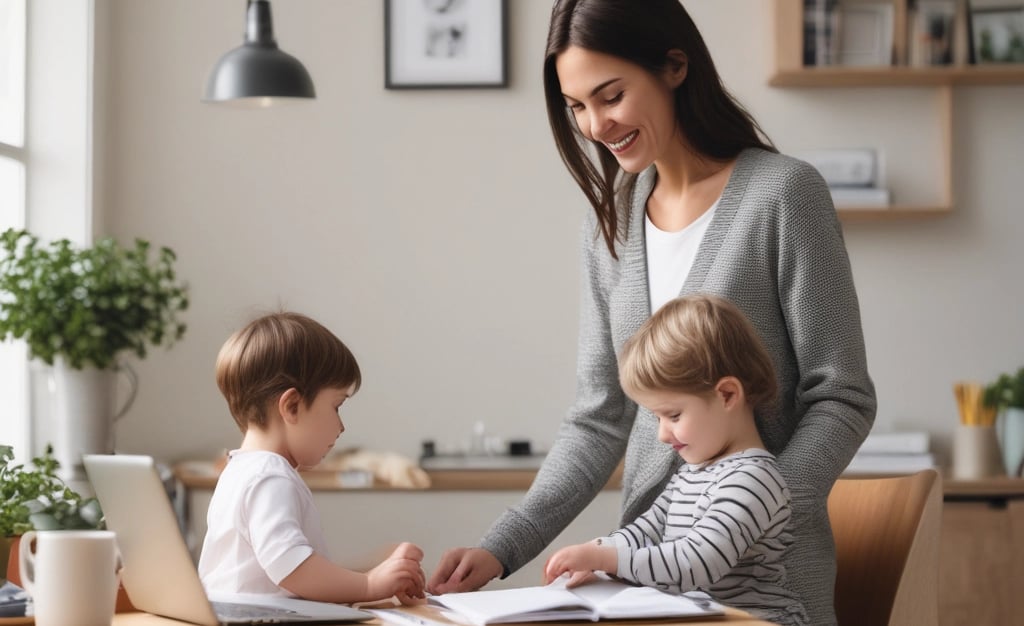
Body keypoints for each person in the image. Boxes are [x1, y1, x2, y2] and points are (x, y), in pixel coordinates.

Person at [427, 2, 876, 624]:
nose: (595, 126)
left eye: (611, 96)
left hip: (764, 593)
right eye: (576, 106)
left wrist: (758, 510)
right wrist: (502, 547)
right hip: (647, 590)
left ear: (674, 66)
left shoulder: (783, 195)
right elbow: (599, 417)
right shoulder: (608, 224)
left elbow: (842, 396)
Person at [542, 294, 808, 626]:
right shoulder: (691, 474)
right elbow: (646, 531)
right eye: (657, 418)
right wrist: (597, 549)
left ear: (727, 394)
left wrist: (607, 558)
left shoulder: (754, 479)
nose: (663, 434)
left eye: (673, 415)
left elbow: (696, 563)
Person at [198, 312, 426, 604]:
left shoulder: (238, 470)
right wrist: (369, 584)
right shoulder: (270, 475)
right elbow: (289, 564)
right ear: (292, 406)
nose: (341, 427)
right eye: (337, 406)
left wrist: (374, 571)